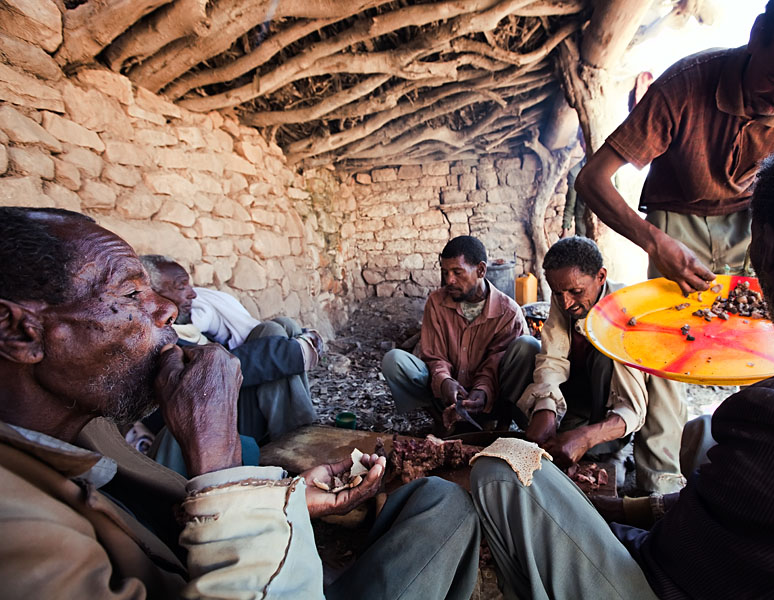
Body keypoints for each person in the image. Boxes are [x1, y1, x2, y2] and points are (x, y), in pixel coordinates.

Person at [471, 120, 774, 598]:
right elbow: (550, 359)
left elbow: (671, 565)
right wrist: (614, 502)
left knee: (498, 473)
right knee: (701, 431)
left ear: (770, 248)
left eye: (750, 237)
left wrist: (572, 513)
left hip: (664, 564)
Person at [0, 207, 480, 599]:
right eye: (130, 293)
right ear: (19, 331)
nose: (167, 308)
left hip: (254, 572)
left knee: (440, 500)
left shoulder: (88, 427)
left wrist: (286, 499)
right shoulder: (19, 537)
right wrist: (219, 462)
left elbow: (160, 522)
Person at [575, 0, 774, 294]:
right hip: (680, 218)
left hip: (763, 216)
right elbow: (592, 179)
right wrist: (655, 243)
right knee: (676, 326)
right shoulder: (683, 86)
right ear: (758, 34)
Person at [509, 236, 686, 493]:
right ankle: (562, 435)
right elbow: (552, 358)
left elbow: (633, 408)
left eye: (576, 292)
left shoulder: (626, 314)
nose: (566, 302)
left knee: (603, 356)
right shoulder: (566, 298)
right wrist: (545, 406)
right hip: (580, 397)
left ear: (601, 276)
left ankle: (612, 451)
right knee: (524, 347)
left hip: (611, 406)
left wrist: (588, 437)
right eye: (558, 293)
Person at [141, 255, 319, 443]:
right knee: (272, 334)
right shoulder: (153, 340)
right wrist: (294, 351)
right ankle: (296, 440)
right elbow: (210, 372)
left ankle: (299, 430)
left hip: (226, 410)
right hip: (212, 436)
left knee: (283, 326)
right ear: (152, 294)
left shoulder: (188, 329)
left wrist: (299, 343)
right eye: (181, 286)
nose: (193, 294)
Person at [382, 235, 534, 432]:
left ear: (480, 270)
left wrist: (482, 390)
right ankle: (443, 422)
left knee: (529, 346)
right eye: (445, 273)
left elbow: (495, 364)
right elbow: (434, 355)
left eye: (457, 272)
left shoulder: (509, 311)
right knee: (394, 360)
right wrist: (445, 381)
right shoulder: (436, 302)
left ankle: (499, 425)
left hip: (491, 399)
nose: (449, 280)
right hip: (446, 397)